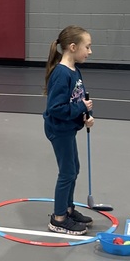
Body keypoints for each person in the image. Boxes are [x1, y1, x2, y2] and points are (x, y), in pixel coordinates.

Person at [43, 26, 95, 236]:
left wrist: (86, 115)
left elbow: (80, 97)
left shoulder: (75, 70)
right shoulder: (61, 74)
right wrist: (81, 108)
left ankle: (68, 209)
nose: (90, 51)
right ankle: (58, 218)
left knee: (74, 169)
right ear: (73, 47)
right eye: (87, 47)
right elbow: (55, 108)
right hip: (59, 129)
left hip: (69, 127)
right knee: (67, 173)